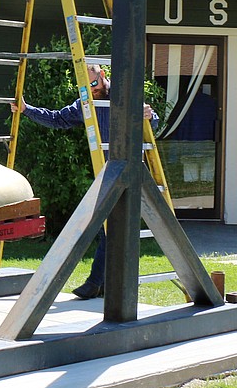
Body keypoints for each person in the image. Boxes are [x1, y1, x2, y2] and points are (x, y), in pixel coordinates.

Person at [10, 64, 157, 300]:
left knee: (109, 228)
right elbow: (58, 119)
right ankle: (103, 284)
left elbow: (152, 123)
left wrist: (150, 115)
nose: (91, 89)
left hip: (131, 172)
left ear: (104, 75)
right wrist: (27, 110)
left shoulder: (125, 96)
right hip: (108, 172)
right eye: (86, 86)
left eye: (94, 83)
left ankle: (96, 283)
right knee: (109, 229)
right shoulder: (86, 103)